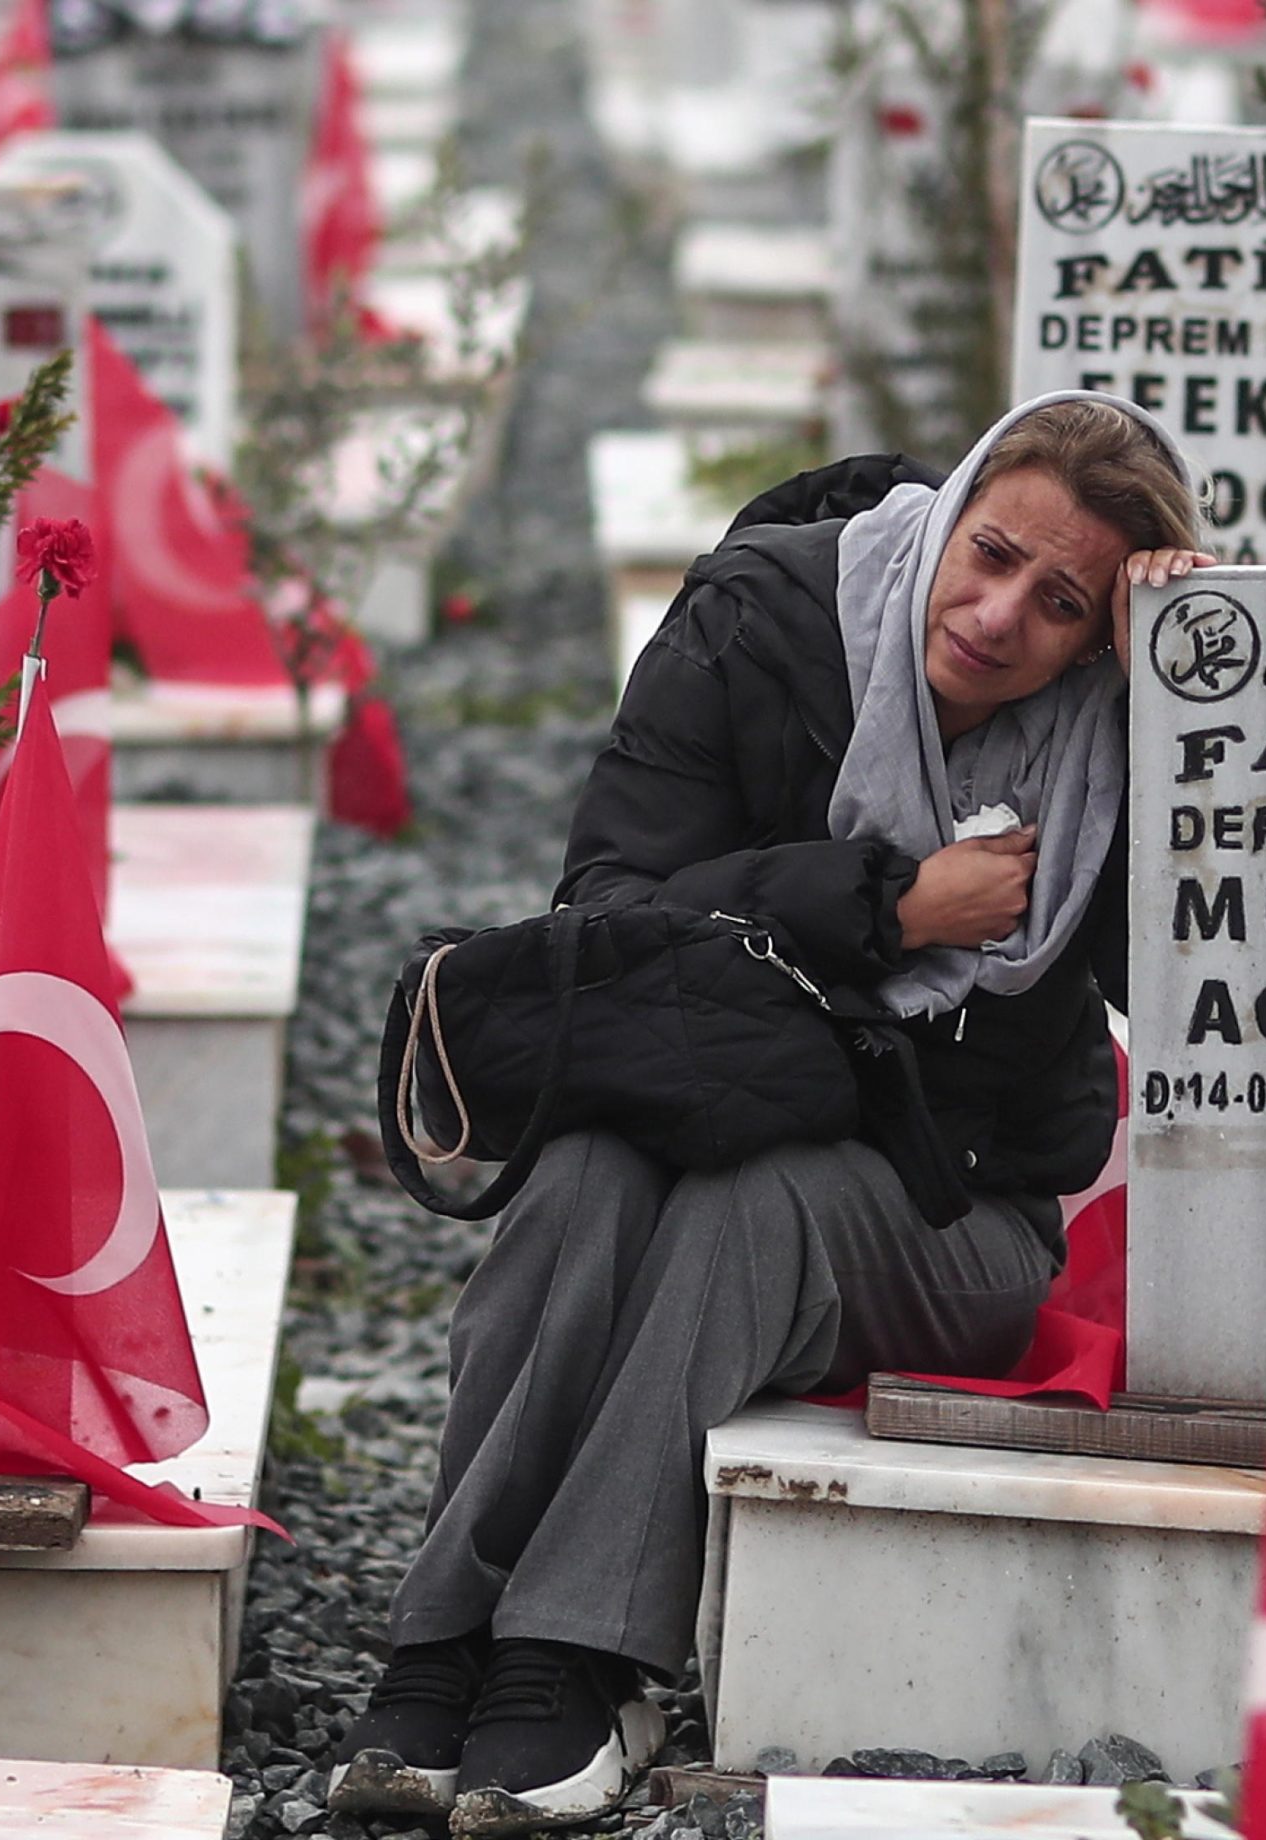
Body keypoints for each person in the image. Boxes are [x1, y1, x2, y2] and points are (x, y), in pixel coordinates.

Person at [332, 395, 1210, 1835]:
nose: (1000, 618)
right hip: (689, 1103)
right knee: (588, 1170)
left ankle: (582, 1655)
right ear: (954, 508)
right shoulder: (766, 619)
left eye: (1061, 606)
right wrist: (888, 906)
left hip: (952, 1208)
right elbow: (608, 907)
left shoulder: (1110, 727)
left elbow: (1195, 974)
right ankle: (444, 1637)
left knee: (758, 1206)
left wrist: (1190, 688)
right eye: (988, 554)